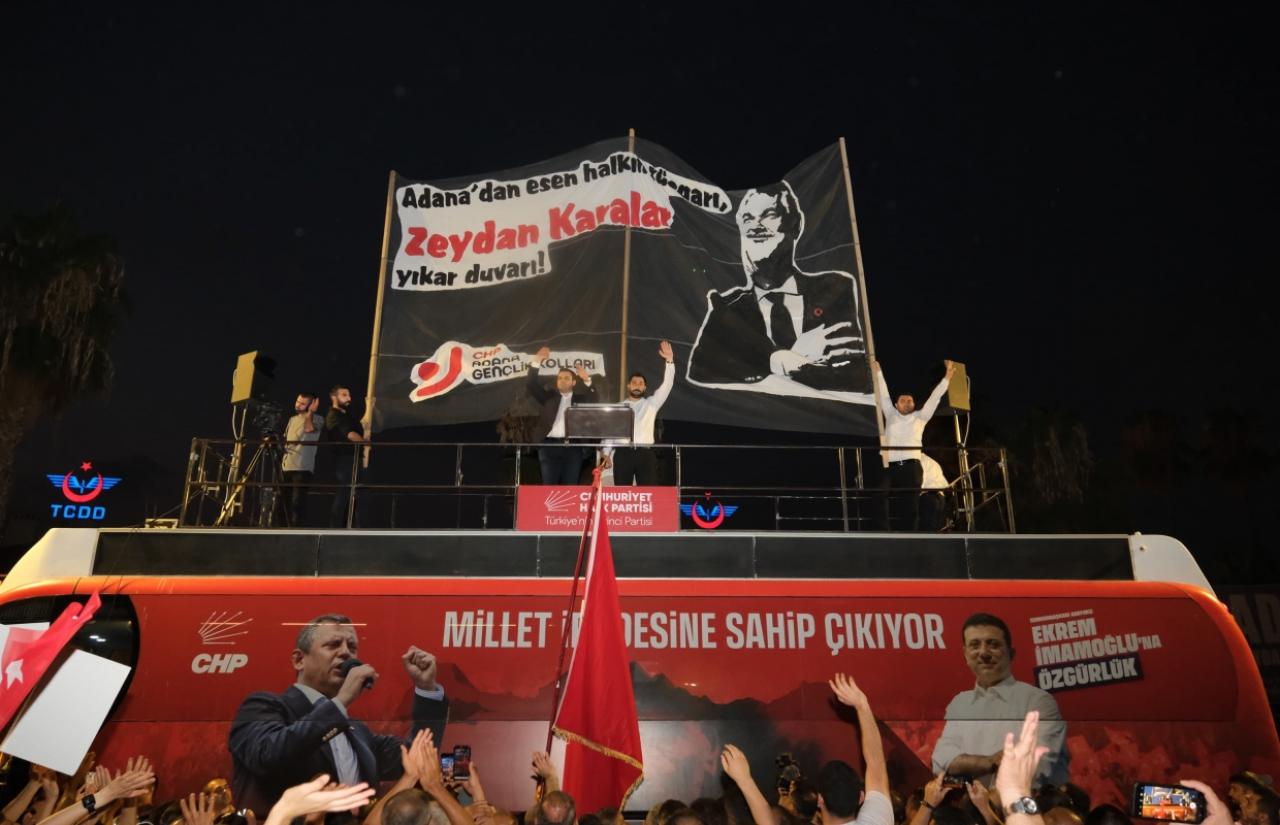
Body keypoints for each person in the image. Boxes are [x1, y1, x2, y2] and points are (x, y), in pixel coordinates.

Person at [227, 613, 449, 817]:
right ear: (299, 660)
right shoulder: (263, 706)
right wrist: (341, 702)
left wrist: (426, 688)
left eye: (352, 647)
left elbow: (415, 756)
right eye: (333, 645)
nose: (345, 653)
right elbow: (268, 755)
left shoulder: (358, 731)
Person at [688, 182, 870, 393]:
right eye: (747, 219)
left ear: (795, 225)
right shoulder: (726, 309)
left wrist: (762, 363)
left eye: (769, 215)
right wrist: (785, 360)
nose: (755, 226)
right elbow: (702, 375)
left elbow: (855, 377)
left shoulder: (833, 289)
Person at [932, 613, 1069, 788]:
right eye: (975, 645)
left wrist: (965, 765)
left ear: (1011, 654)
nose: (984, 653)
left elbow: (1037, 768)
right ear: (965, 654)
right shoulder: (960, 704)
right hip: (972, 803)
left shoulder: (1038, 701)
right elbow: (940, 761)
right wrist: (988, 762)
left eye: (993, 644)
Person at [874, 360, 955, 531]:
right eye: (902, 400)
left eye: (909, 400)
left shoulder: (920, 417)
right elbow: (883, 394)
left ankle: (911, 534)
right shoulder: (890, 414)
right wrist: (878, 372)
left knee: (910, 504)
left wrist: (947, 377)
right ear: (896, 405)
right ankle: (883, 531)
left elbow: (934, 398)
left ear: (913, 404)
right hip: (889, 465)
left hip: (911, 467)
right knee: (879, 494)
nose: (906, 402)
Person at [526, 346, 597, 485]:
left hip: (573, 449)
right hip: (549, 447)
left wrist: (587, 379)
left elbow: (595, 399)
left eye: (566, 378)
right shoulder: (548, 397)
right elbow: (531, 384)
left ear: (574, 382)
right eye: (559, 378)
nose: (562, 380)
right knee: (549, 489)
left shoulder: (581, 400)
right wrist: (537, 361)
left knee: (570, 488)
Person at [612, 340, 676, 485]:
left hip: (646, 454)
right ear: (628, 386)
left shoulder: (651, 404)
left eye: (640, 383)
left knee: (648, 493)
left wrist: (670, 361)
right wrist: (605, 454)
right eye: (634, 383)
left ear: (645, 388)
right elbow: (611, 434)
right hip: (623, 454)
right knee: (622, 494)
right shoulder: (618, 407)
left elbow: (667, 385)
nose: (637, 386)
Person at [325, 385, 368, 527]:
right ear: (334, 397)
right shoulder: (334, 415)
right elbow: (349, 434)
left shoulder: (347, 415)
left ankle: (352, 527)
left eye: (349, 395)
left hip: (355, 458)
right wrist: (366, 443)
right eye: (344, 395)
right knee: (344, 492)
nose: (349, 398)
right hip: (344, 459)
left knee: (356, 494)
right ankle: (335, 528)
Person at [281, 392, 323, 527]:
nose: (298, 405)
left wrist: (310, 413)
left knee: (297, 504)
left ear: (311, 405)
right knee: (282, 503)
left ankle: (295, 531)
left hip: (302, 468)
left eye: (302, 403)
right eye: (297, 401)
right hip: (286, 466)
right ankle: (280, 529)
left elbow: (309, 429)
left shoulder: (318, 419)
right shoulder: (292, 419)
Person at [918, 453, 950, 532]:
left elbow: (920, 484)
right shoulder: (933, 462)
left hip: (928, 498)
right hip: (940, 498)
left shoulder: (919, 461)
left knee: (926, 530)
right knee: (935, 529)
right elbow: (945, 485)